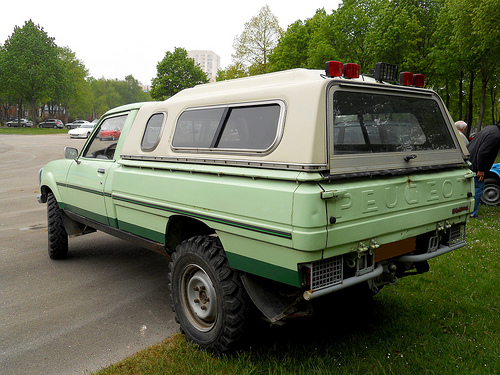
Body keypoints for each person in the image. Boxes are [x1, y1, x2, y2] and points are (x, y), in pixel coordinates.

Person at [466, 124, 500, 218]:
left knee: (470, 187)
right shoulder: (496, 135)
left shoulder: (491, 129)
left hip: (469, 159)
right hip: (475, 164)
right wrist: (481, 169)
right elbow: (483, 152)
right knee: (478, 187)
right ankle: (472, 213)